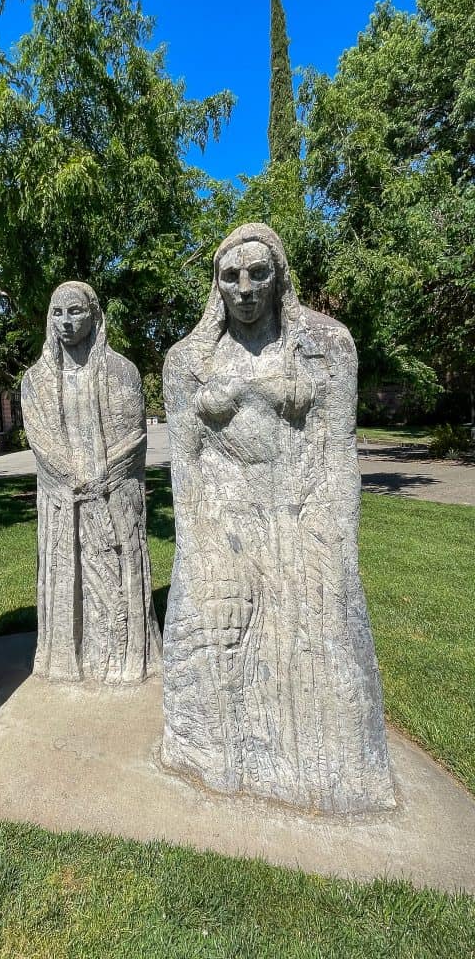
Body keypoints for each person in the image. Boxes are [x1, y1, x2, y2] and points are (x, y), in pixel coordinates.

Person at [161, 224, 395, 813]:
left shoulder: (327, 347)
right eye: (230, 276)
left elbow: (337, 455)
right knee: (215, 640)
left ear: (279, 277)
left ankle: (318, 776)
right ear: (215, 284)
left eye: (258, 274)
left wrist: (326, 532)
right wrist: (201, 535)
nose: (244, 288)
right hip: (224, 516)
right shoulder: (189, 361)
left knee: (315, 645)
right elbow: (185, 465)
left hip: (299, 513)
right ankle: (218, 758)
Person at [21, 281, 162, 684]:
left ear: (94, 315)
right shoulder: (35, 381)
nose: (65, 322)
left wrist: (100, 478)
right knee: (67, 579)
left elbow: (134, 436)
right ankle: (65, 660)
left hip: (113, 496)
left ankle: (125, 658)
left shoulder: (121, 371)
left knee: (115, 579)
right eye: (57, 313)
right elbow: (40, 440)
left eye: (75, 311)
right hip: (63, 503)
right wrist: (71, 479)